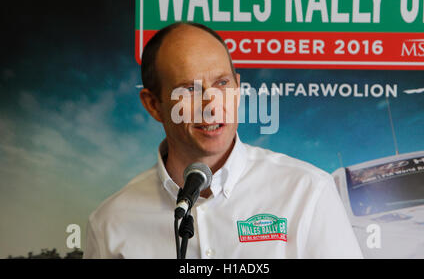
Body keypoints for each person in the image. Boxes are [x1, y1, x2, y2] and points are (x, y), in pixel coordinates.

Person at [84, 22, 363, 259]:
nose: (212, 105)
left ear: (238, 88)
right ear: (154, 105)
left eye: (221, 84)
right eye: (188, 89)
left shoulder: (308, 192)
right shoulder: (110, 222)